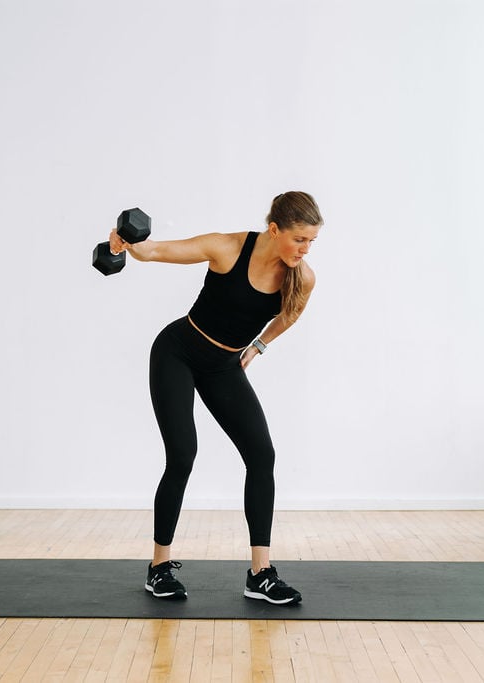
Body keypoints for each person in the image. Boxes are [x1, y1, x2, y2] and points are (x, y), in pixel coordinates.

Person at [108, 191, 323, 606]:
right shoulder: (226, 248)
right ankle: (158, 569)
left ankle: (260, 574)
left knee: (262, 456)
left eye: (312, 241)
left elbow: (289, 315)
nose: (305, 249)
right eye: (299, 239)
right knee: (183, 455)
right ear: (274, 229)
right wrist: (126, 243)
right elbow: (155, 251)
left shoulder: (303, 276)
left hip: (223, 367)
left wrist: (257, 346)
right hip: (178, 354)